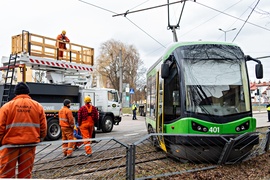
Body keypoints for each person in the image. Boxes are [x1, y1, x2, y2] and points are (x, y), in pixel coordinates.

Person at [0, 82, 47, 178]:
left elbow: (0, 127)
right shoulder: (38, 106)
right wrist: (40, 138)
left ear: (15, 93)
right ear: (28, 92)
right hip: (29, 145)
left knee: (6, 175)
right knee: (25, 174)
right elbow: (43, 127)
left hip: (9, 146)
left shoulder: (6, 107)